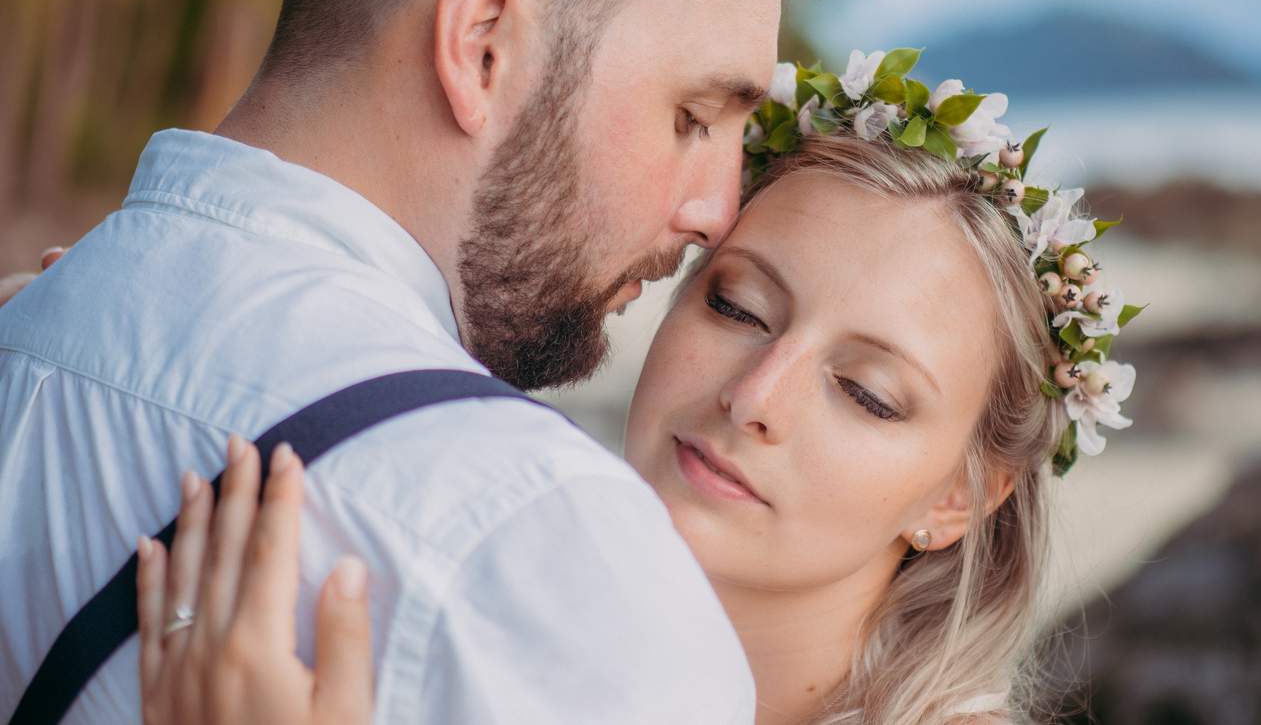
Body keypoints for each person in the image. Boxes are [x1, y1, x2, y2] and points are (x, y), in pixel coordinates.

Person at [0, 0, 829, 723]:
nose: (715, 212)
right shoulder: (548, 551)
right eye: (692, 115)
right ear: (482, 45)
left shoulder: (28, 338)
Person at [129, 67, 1143, 725]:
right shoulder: (484, 598)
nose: (756, 395)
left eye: (868, 393)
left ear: (960, 497)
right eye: (738, 306)